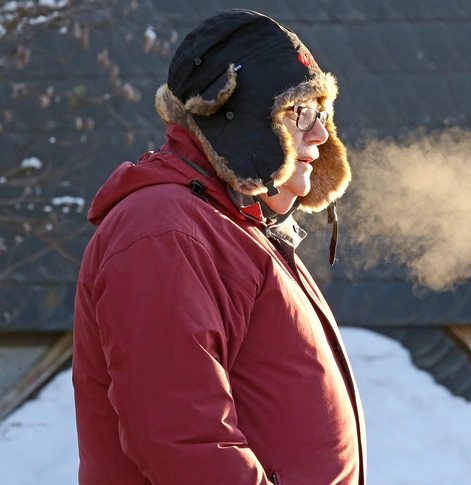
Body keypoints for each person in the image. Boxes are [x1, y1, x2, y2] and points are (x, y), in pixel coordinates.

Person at [72, 10, 366, 485]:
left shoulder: (233, 229)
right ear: (242, 117)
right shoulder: (164, 231)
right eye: (300, 113)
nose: (321, 135)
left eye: (323, 113)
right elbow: (182, 438)